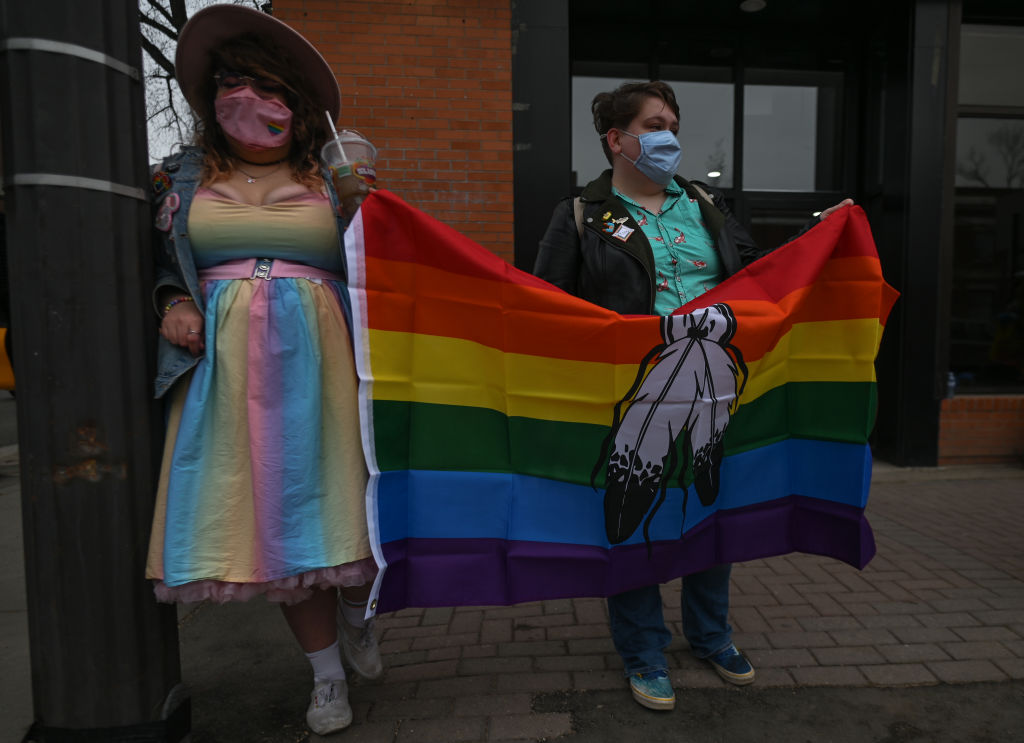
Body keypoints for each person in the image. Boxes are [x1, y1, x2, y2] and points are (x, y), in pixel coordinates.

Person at [533, 81, 851, 711]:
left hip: (718, 383)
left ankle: (710, 635)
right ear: (617, 140)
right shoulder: (580, 213)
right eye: (654, 124)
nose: (669, 136)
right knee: (634, 509)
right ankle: (643, 648)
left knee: (712, 507)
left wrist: (823, 238)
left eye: (673, 122)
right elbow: (548, 307)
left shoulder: (706, 204)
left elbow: (763, 278)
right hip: (631, 390)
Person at [145, 5, 380, 735]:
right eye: (233, 82)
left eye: (267, 86)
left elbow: (384, 271)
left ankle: (356, 609)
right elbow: (154, 265)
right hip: (227, 375)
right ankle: (327, 678)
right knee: (276, 533)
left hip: (327, 366)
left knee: (354, 515)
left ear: (296, 105)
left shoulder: (333, 174)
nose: (247, 97)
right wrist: (174, 298)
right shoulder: (180, 177)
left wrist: (365, 212)